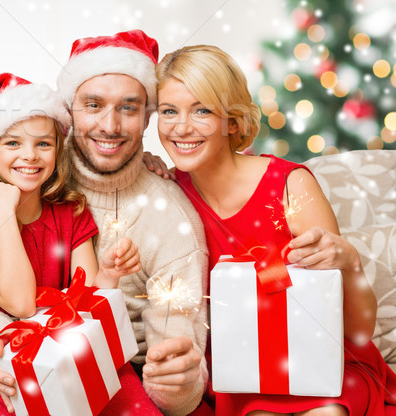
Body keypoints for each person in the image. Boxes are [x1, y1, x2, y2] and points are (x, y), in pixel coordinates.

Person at [0, 30, 209, 416]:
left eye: (129, 108)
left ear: (146, 117)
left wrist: (178, 381)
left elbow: (173, 358)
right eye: (93, 104)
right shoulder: (29, 169)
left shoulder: (166, 216)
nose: (110, 125)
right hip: (3, 372)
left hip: (106, 371)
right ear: (69, 112)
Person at [151, 43, 396, 416]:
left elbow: (357, 332)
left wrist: (349, 263)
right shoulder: (169, 196)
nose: (181, 127)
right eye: (169, 111)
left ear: (231, 121)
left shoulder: (289, 185)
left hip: (325, 363)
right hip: (244, 372)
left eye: (201, 110)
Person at [0, 72, 142, 416]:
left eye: (43, 144)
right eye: (13, 143)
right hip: (8, 375)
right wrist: (3, 212)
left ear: (57, 151)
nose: (30, 156)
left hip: (74, 361)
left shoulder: (71, 212)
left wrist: (108, 275)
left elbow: (88, 304)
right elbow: (20, 303)